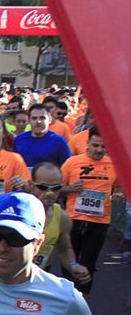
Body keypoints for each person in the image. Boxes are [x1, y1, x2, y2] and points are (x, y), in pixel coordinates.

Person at [60, 126, 120, 296]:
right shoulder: (72, 162)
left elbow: (120, 188)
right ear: (87, 144)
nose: (99, 150)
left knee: (88, 262)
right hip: (74, 218)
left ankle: (81, 299)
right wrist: (70, 188)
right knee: (70, 260)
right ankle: (67, 293)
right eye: (95, 145)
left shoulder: (113, 164)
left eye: (103, 146)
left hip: (99, 221)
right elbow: (56, 187)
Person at [27, 162, 89, 284]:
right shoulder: (16, 211)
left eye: (56, 188)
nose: (50, 193)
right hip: (9, 278)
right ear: (31, 185)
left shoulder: (62, 217)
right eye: (43, 187)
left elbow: (64, 249)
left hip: (40, 278)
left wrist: (73, 266)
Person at [13, 104, 71, 169]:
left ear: (49, 120)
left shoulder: (59, 141)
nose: (38, 121)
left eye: (42, 118)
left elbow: (66, 167)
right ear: (29, 121)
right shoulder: (19, 139)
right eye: (34, 118)